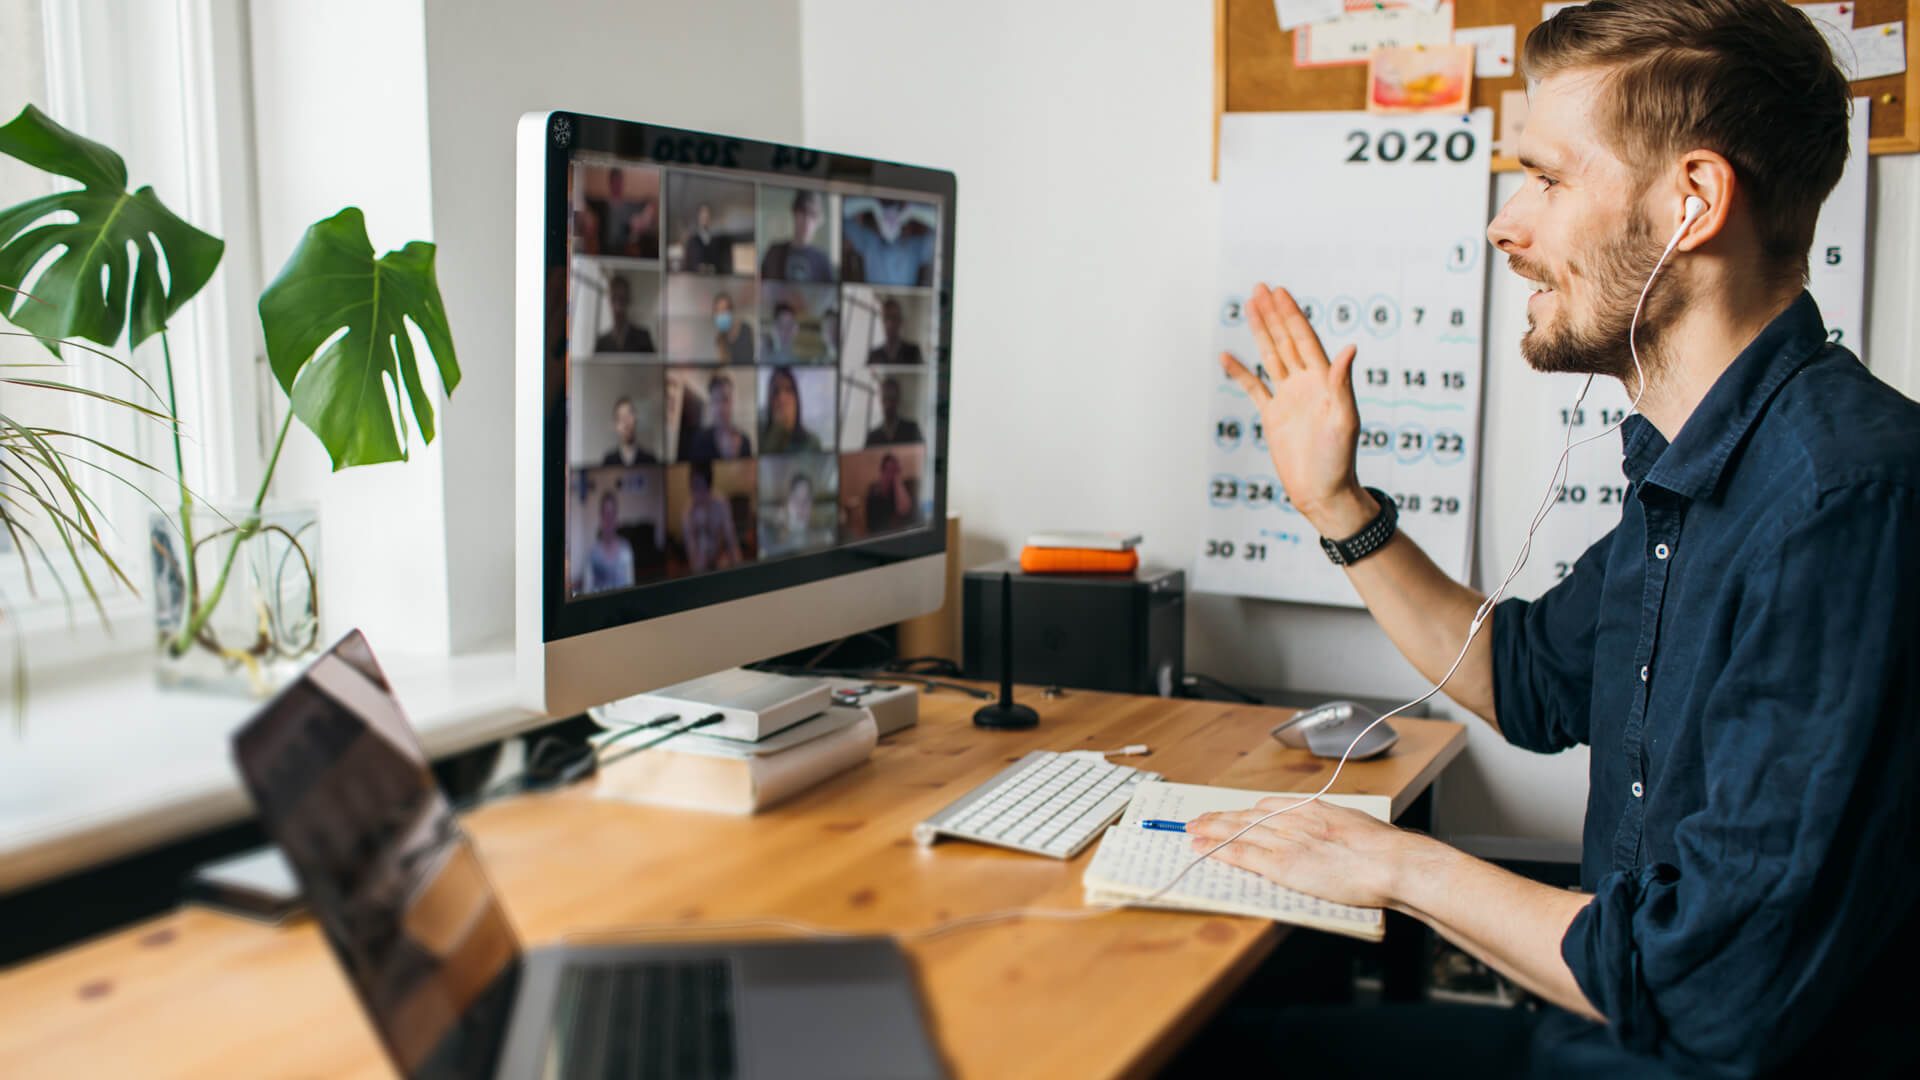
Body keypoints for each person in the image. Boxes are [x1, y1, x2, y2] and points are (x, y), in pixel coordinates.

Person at [1188, 2, 1920, 1075]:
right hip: (1600, 1038)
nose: (1506, 226)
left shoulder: (1842, 502)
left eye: (1547, 178)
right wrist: (1335, 504)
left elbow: (1709, 994)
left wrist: (1398, 868)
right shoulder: (1701, 464)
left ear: (1694, 200)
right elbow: (1523, 679)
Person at [842, 198, 936, 286]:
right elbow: (839, 212)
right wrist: (873, 204)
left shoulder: (915, 247)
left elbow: (940, 222)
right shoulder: (869, 241)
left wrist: (912, 211)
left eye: (895, 215)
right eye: (885, 214)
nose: (890, 222)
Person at [681, 459, 742, 573]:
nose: (698, 494)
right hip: (700, 566)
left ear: (709, 486)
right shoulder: (688, 513)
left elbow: (731, 540)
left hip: (721, 560)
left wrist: (739, 569)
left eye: (702, 487)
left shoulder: (721, 504)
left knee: (725, 562)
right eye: (695, 487)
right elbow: (692, 554)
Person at [760, 189, 833, 282]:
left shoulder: (822, 261)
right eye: (803, 212)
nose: (807, 221)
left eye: (813, 215)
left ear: (818, 220)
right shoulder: (774, 252)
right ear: (794, 213)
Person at [684, 372, 751, 461]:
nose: (720, 407)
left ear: (732, 402)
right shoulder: (700, 440)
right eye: (715, 400)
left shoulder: (745, 441)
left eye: (725, 399)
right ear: (711, 405)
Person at [764, 471, 829, 555]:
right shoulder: (771, 534)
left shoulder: (822, 534)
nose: (801, 508)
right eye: (796, 499)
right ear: (788, 500)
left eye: (806, 500)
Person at [760, 367, 822, 454]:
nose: (782, 398)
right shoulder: (761, 439)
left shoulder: (812, 442)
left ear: (797, 400)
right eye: (776, 392)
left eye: (788, 390)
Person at [583, 491, 634, 592]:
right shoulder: (592, 553)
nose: (609, 519)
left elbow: (631, 587)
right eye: (606, 514)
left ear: (616, 517)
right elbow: (587, 590)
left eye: (612, 514)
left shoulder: (626, 550)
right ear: (601, 517)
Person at [601, 168, 657, 259]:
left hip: (626, 251)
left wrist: (644, 217)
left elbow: (650, 202)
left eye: (619, 181)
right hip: (607, 251)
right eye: (615, 181)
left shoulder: (629, 205)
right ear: (610, 183)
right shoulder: (603, 205)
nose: (618, 185)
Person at [593, 274, 655, 354]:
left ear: (628, 300)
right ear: (609, 300)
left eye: (622, 299)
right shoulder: (602, 343)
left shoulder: (643, 339)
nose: (618, 307)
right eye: (614, 299)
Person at [862, 452, 915, 534]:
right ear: (882, 472)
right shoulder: (874, 492)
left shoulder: (900, 488)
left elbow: (904, 510)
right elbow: (872, 527)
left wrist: (897, 481)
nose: (892, 475)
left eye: (896, 471)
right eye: (889, 470)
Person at [865, 377, 923, 447]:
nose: (888, 404)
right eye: (885, 398)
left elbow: (922, 452)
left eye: (892, 398)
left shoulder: (912, 430)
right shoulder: (872, 437)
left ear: (898, 399)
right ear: (881, 400)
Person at [866, 296, 924, 366]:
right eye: (886, 317)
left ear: (900, 321)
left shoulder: (914, 352)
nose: (889, 324)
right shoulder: (874, 355)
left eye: (894, 317)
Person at [601, 396, 657, 466]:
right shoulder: (608, 461)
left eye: (629, 415)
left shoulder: (649, 459)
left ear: (636, 420)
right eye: (621, 418)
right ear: (616, 426)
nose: (626, 422)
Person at [680, 203, 732, 275]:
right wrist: (698, 268)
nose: (705, 218)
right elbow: (688, 264)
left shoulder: (718, 239)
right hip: (696, 278)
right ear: (698, 217)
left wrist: (713, 268)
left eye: (707, 215)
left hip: (714, 278)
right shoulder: (692, 240)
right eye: (703, 216)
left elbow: (723, 263)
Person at [711, 292, 754, 364]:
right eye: (718, 311)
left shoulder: (746, 329)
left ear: (731, 311)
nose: (721, 314)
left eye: (724, 310)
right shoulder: (720, 339)